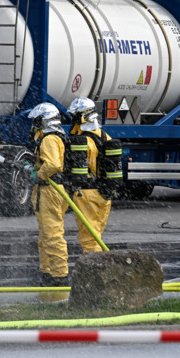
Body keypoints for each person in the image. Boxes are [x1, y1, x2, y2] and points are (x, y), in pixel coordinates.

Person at [26, 102, 70, 286]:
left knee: (52, 233)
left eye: (36, 121)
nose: (34, 125)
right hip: (50, 190)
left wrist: (39, 174)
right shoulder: (55, 137)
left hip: (50, 190)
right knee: (46, 233)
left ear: (44, 121)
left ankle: (59, 275)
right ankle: (47, 271)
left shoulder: (50, 139)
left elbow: (53, 165)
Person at [67, 96, 113, 254]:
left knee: (89, 238)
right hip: (105, 193)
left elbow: (70, 167)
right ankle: (98, 269)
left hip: (86, 193)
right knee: (96, 234)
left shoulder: (81, 141)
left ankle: (95, 272)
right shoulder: (106, 137)